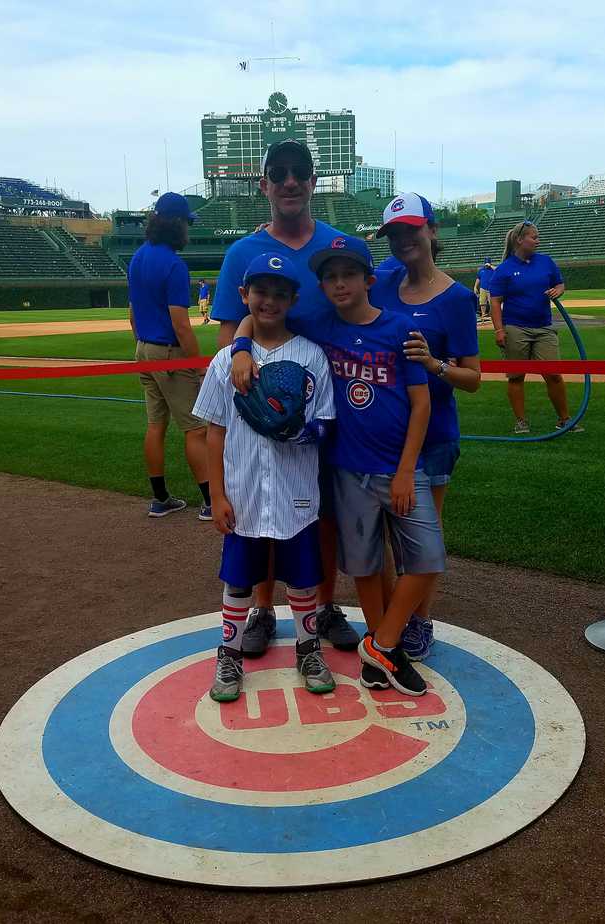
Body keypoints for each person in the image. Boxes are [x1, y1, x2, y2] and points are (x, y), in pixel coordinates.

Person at [232, 236, 445, 695]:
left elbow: (421, 405)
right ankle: (382, 654)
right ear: (321, 285)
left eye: (348, 274)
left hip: (400, 468)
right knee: (365, 567)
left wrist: (408, 469)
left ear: (369, 280)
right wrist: (241, 349)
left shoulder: (400, 329)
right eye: (330, 276)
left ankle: (382, 642)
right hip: (348, 469)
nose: (339, 282)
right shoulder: (319, 324)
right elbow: (257, 312)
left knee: (427, 560)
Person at [209, 138, 357, 653]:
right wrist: (245, 349)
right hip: (265, 403)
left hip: (328, 399)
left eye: (300, 172)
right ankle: (263, 609)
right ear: (265, 184)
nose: (290, 181)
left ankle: (324, 601)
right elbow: (229, 333)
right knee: (260, 505)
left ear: (313, 181)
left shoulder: (338, 246)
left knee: (320, 510)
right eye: (280, 173)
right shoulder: (242, 252)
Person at [193, 253, 338, 702]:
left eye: (279, 293)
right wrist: (216, 495)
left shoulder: (311, 356)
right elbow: (213, 433)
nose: (269, 301)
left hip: (295, 489)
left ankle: (308, 649)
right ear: (244, 296)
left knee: (302, 579)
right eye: (260, 292)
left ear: (293, 299)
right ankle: (230, 657)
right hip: (243, 490)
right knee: (239, 579)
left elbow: (325, 422)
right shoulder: (225, 361)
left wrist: (297, 430)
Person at [370, 193, 481, 661]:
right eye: (394, 234)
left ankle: (418, 621)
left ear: (432, 231)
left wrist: (435, 365)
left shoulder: (456, 298)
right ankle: (397, 618)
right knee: (385, 538)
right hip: (380, 435)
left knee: (421, 539)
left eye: (411, 230)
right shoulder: (383, 281)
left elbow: (473, 378)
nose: (402, 241)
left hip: (433, 436)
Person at [126, 192, 212, 519]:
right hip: (170, 354)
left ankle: (160, 498)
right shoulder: (174, 264)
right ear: (176, 223)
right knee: (195, 429)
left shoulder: (137, 257)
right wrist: (198, 366)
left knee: (155, 425)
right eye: (187, 223)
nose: (189, 230)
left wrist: (144, 348)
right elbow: (182, 326)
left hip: (143, 350)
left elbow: (132, 315)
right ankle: (208, 502)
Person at [487, 221, 576, 434]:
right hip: (515, 328)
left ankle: (565, 420)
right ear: (520, 240)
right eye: (534, 237)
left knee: (554, 374)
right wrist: (499, 330)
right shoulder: (504, 269)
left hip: (544, 327)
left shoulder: (545, 262)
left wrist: (558, 290)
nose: (538, 240)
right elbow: (495, 303)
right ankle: (521, 421)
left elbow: (559, 283)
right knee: (516, 376)